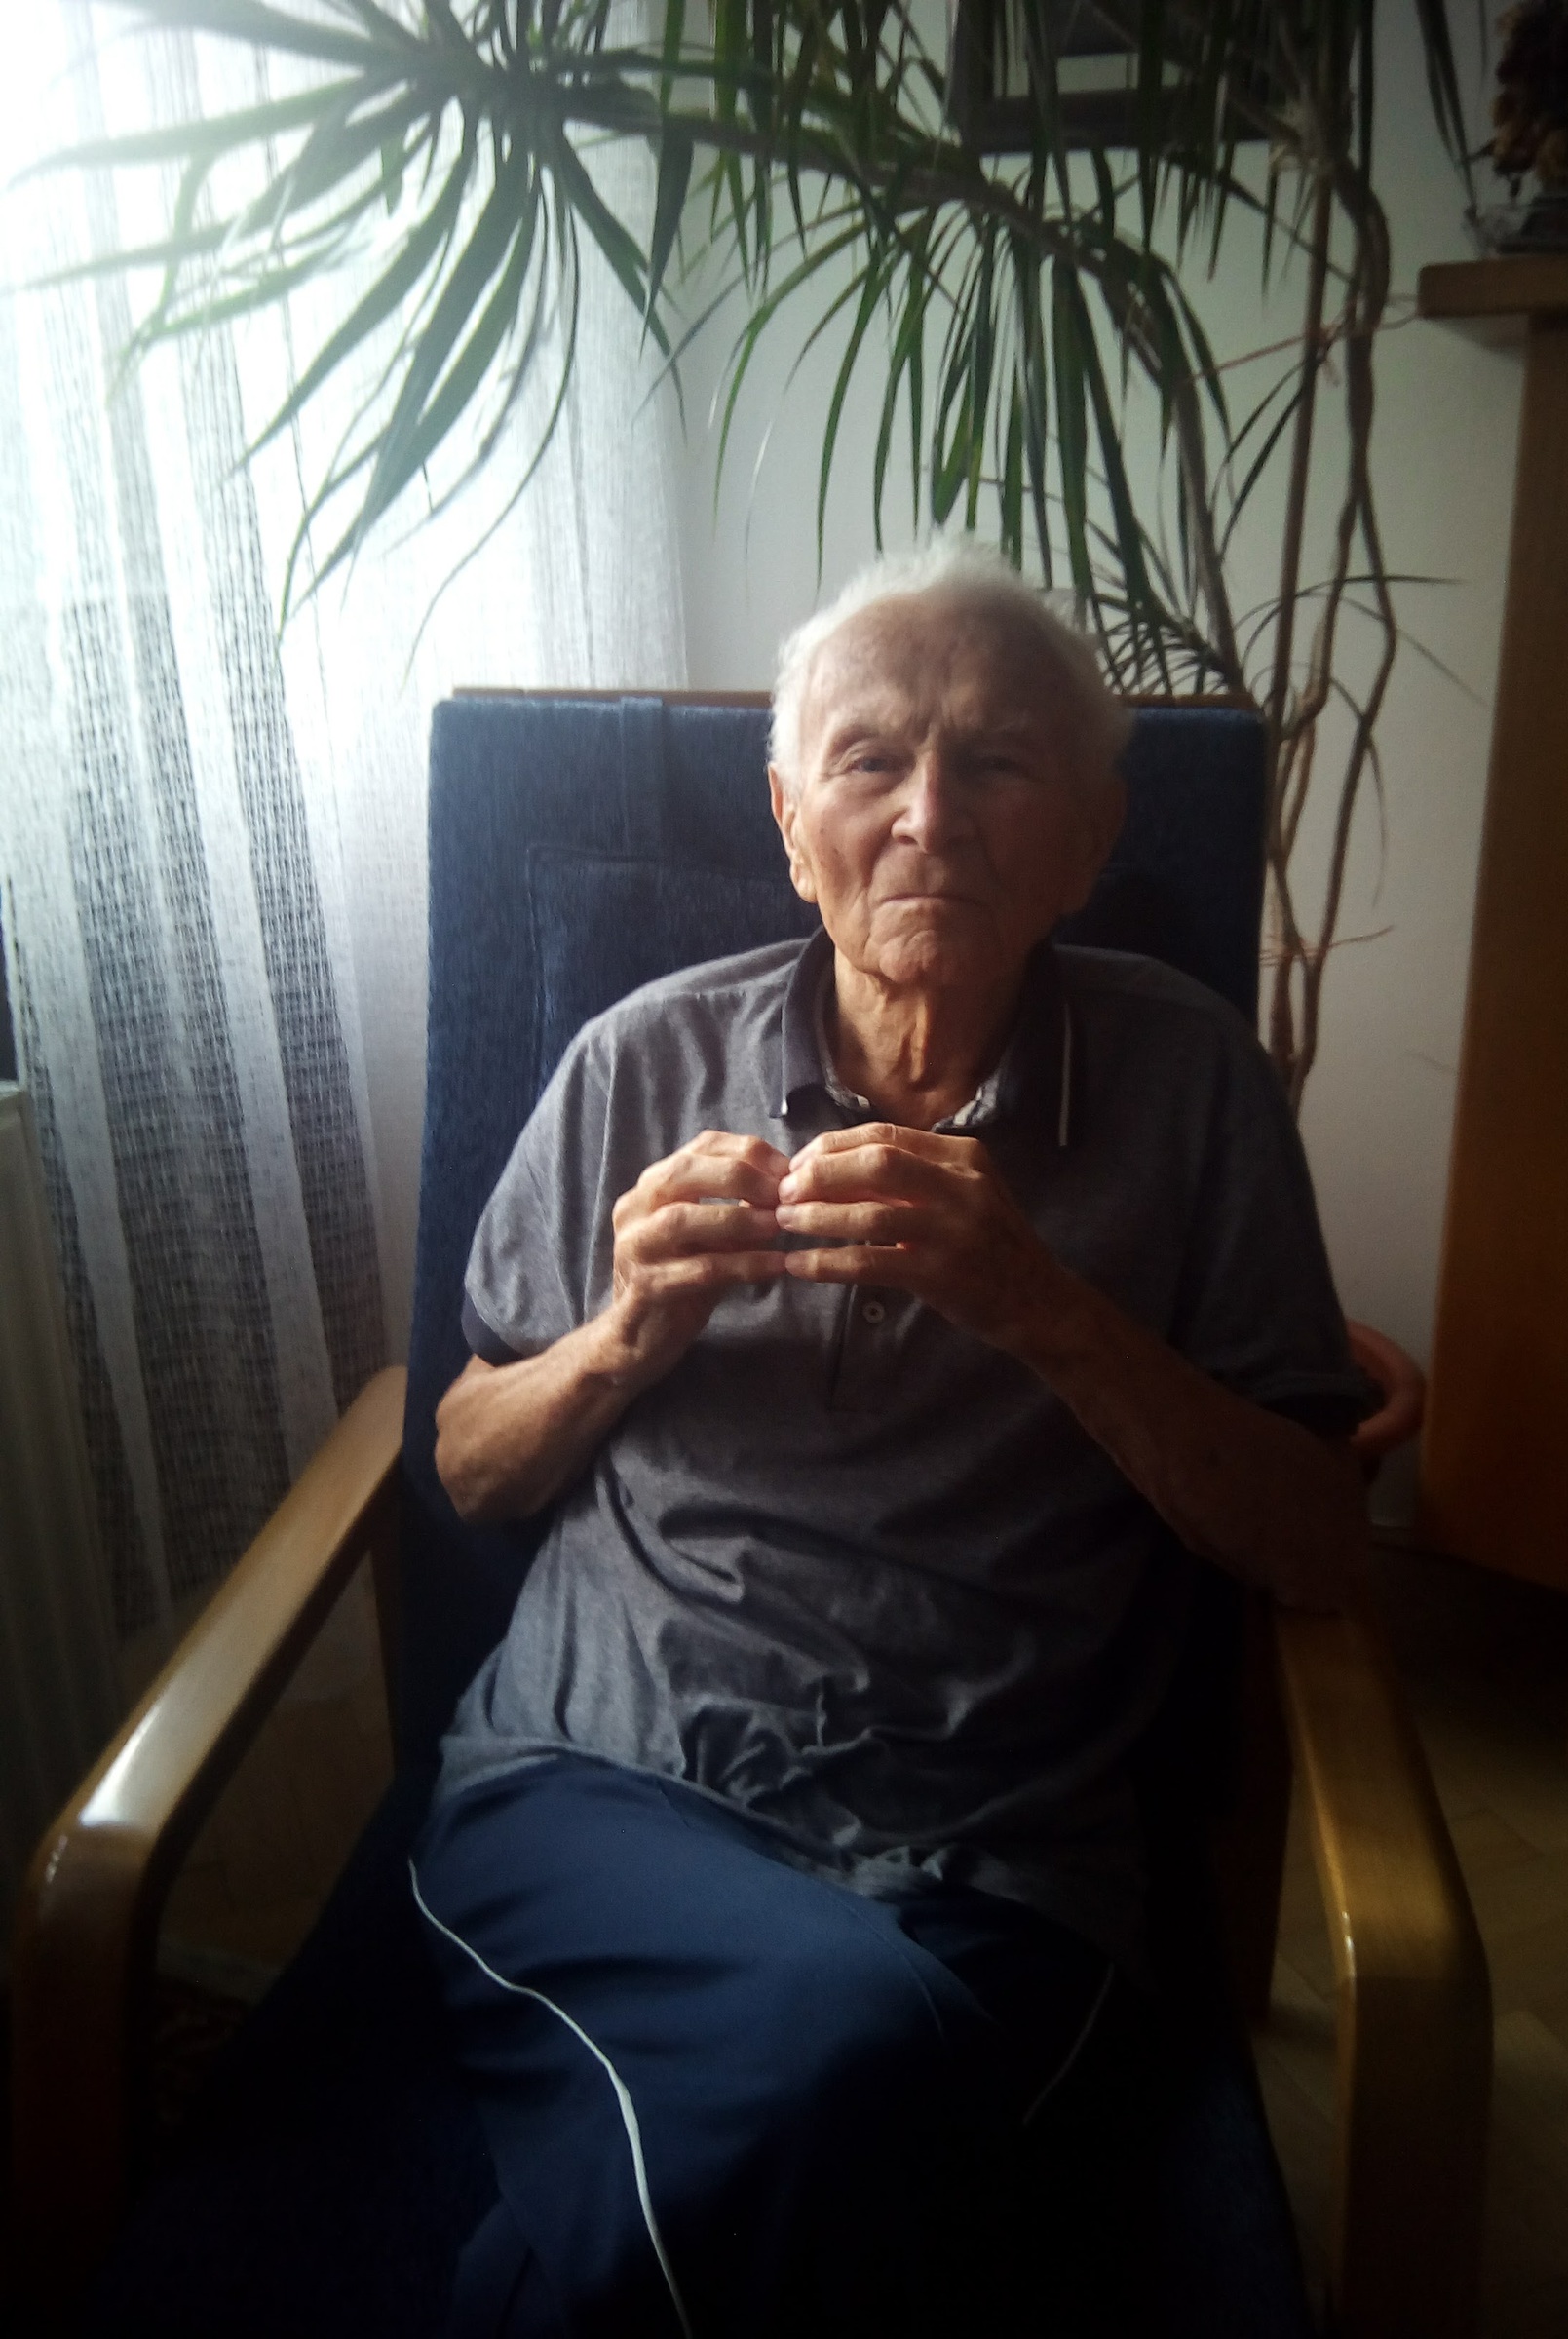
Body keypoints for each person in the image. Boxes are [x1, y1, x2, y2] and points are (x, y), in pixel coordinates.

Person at [415, 541, 1370, 2338]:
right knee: (857, 2063)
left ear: (1091, 837)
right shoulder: (638, 1062)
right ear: (794, 826)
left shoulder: (1195, 1091)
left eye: (996, 761)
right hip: (598, 1784)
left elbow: (1316, 1536)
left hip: (999, 1852)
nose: (931, 816)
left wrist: (1044, 1307)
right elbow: (469, 1468)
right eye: (870, 761)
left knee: (816, 2089)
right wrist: (625, 1336)